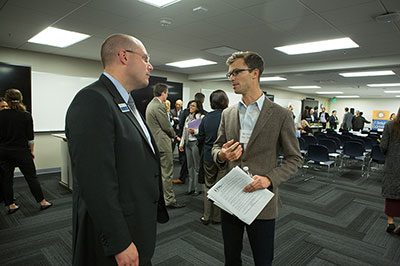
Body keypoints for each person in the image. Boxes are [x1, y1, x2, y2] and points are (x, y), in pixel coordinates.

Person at [65, 34, 169, 266]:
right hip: (113, 237)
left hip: (135, 221)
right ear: (123, 56)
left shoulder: (126, 103)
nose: (150, 65)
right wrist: (119, 242)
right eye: (145, 58)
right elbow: (95, 182)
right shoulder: (93, 100)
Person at [212, 51, 302, 266]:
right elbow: (216, 147)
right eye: (229, 74)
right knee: (231, 258)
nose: (231, 78)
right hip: (231, 197)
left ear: (254, 73)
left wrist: (269, 179)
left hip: (261, 199)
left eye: (236, 72)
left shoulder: (281, 115)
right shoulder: (228, 113)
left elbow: (294, 158)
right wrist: (222, 154)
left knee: (263, 260)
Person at [0, 89, 53, 214]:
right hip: (21, 152)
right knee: (31, 177)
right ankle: (42, 202)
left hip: (3, 152)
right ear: (20, 99)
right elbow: (30, 138)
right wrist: (32, 151)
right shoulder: (25, 115)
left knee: (6, 179)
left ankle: (11, 205)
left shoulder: (1, 114)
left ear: (7, 100)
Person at [146, 83, 185, 209]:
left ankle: (161, 198)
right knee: (167, 174)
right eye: (167, 93)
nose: (167, 95)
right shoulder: (158, 106)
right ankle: (169, 200)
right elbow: (166, 126)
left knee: (160, 173)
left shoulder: (151, 104)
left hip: (156, 143)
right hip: (163, 143)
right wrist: (175, 136)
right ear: (163, 93)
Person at [197, 90, 229, 225]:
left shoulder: (206, 117)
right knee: (220, 187)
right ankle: (217, 217)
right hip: (224, 156)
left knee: (209, 186)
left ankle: (206, 216)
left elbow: (200, 138)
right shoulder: (228, 116)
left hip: (208, 155)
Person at [380, 107, 400, 235]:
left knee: (391, 194)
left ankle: (391, 223)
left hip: (393, 165)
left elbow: (383, 146)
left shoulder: (389, 125)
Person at [179, 100, 205, 196]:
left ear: (198, 107)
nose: (191, 107)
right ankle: (190, 188)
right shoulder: (187, 118)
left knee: (196, 167)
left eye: (193, 106)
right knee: (189, 166)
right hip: (187, 143)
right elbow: (184, 132)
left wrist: (195, 131)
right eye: (190, 106)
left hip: (195, 143)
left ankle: (197, 189)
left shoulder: (201, 117)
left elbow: (202, 131)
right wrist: (181, 144)